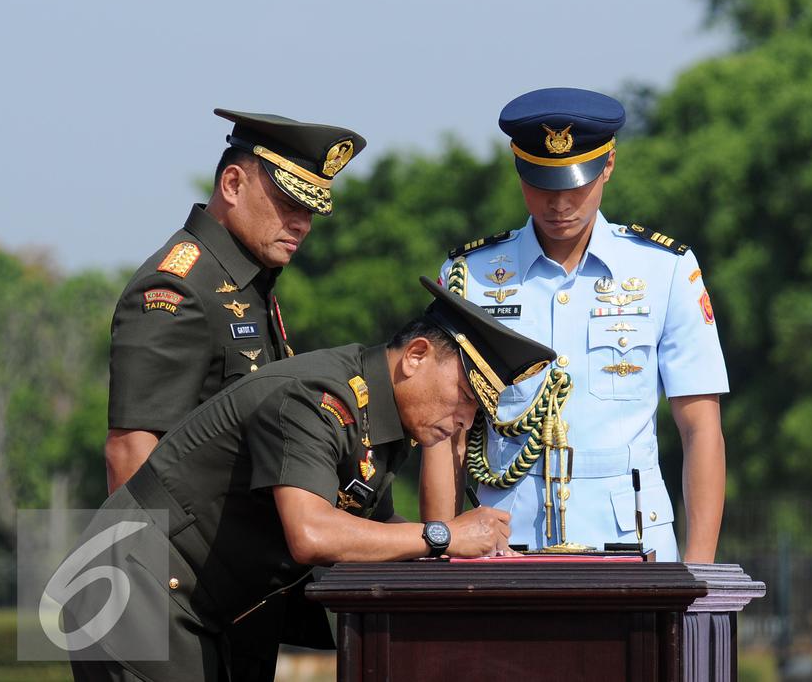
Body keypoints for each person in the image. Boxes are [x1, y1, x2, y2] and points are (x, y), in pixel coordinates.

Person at [67, 277, 555, 682]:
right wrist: (443, 535)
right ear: (416, 356)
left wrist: (463, 555)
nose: (465, 420)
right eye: (465, 396)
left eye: (477, 411)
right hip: (136, 592)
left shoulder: (378, 418)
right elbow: (312, 533)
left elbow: (374, 530)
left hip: (188, 603)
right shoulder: (316, 398)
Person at [430, 87, 728, 562]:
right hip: (503, 541)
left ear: (608, 165)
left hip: (634, 539)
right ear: (519, 170)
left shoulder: (665, 269)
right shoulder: (471, 278)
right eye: (542, 185)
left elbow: (700, 427)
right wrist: (440, 553)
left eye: (575, 184)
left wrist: (700, 569)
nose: (559, 204)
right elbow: (446, 433)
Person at [104, 109, 366, 493]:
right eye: (289, 204)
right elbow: (129, 453)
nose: (303, 225)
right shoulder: (177, 289)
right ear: (232, 184)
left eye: (310, 211)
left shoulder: (248, 280)